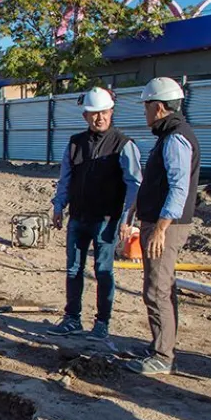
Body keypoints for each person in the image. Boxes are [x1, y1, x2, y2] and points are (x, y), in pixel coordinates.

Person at [49, 87, 143, 341]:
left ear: (111, 113)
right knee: (73, 270)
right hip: (78, 218)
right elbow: (65, 179)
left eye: (103, 113)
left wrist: (127, 219)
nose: (99, 118)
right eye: (93, 114)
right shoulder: (75, 143)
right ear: (85, 116)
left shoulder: (122, 145)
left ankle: (102, 324)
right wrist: (59, 206)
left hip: (106, 221)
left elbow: (135, 184)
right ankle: (72, 319)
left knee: (103, 271)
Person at [127, 77, 200, 376]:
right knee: (163, 285)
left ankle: (162, 355)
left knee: (156, 288)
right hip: (161, 222)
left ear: (158, 107)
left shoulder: (175, 139)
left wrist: (160, 228)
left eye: (146, 107)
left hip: (165, 226)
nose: (144, 113)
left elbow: (178, 188)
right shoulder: (169, 136)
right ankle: (161, 344)